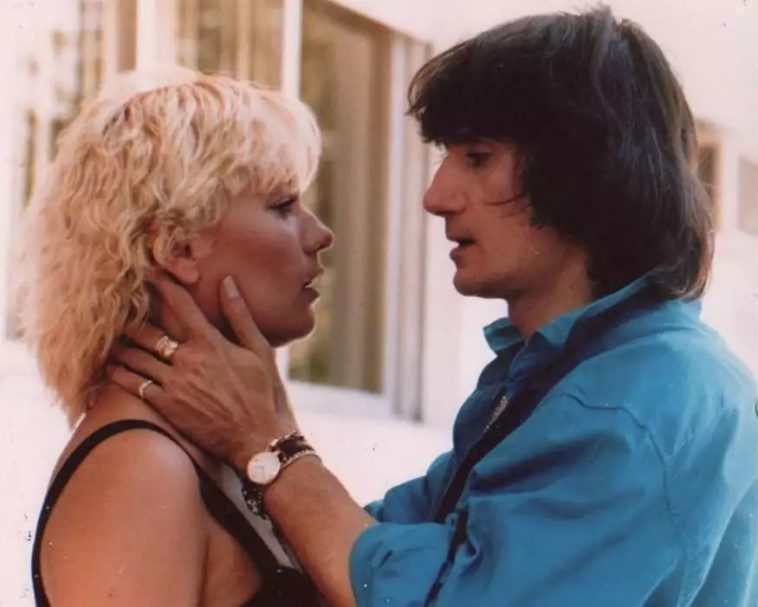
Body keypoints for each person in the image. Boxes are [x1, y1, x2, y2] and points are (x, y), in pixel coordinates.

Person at [109, 7, 758, 607]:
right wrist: (269, 433)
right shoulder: (563, 372)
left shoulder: (634, 402)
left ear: (584, 171)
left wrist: (265, 443)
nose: (436, 196)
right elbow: (382, 547)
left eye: (477, 158)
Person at [22, 67, 332, 605]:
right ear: (177, 249)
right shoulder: (139, 466)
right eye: (283, 207)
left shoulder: (204, 447)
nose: (319, 235)